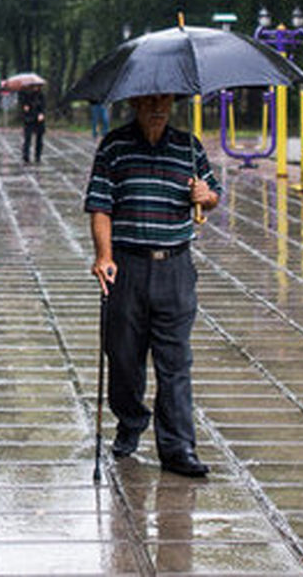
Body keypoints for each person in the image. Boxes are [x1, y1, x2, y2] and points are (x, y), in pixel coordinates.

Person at [84, 93, 221, 477]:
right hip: (126, 266)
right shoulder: (115, 146)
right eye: (150, 101)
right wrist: (104, 256)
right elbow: (100, 206)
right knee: (124, 357)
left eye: (165, 101)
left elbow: (212, 195)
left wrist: (205, 196)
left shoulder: (188, 147)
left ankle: (178, 448)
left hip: (175, 268)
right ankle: (130, 421)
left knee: (175, 363)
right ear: (135, 104)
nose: (158, 108)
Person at [20, 87, 46, 162]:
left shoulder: (41, 96)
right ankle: (26, 155)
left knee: (39, 139)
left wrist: (42, 114)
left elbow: (43, 107)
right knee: (27, 138)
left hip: (39, 120)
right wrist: (25, 107)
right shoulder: (26, 95)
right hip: (29, 119)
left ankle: (38, 155)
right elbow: (23, 105)